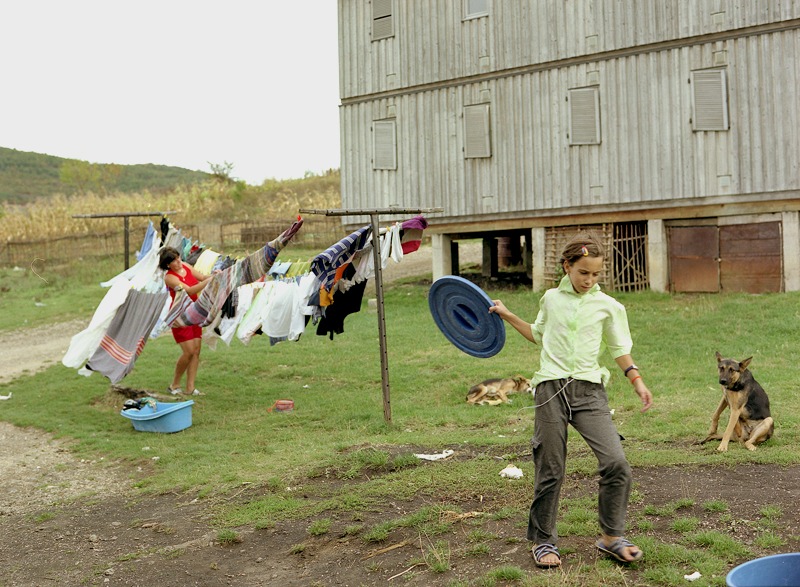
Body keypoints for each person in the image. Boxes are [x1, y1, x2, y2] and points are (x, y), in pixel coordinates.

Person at [489, 231, 653, 569]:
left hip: (589, 391)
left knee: (616, 462)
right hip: (550, 389)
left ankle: (611, 537)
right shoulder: (551, 299)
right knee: (551, 466)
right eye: (583, 273)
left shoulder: (608, 306)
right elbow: (537, 334)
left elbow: (620, 349)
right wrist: (506, 314)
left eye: (595, 274)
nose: (589, 280)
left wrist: (636, 380)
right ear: (567, 266)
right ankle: (543, 541)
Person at [158, 246, 213, 396]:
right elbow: (189, 291)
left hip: (196, 312)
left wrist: (215, 276)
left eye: (178, 258)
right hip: (180, 316)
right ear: (168, 264)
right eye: (174, 260)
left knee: (196, 351)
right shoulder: (169, 277)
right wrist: (210, 281)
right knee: (188, 352)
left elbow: (202, 277)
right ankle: (174, 384)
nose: (178, 262)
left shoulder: (186, 266)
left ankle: (190, 387)